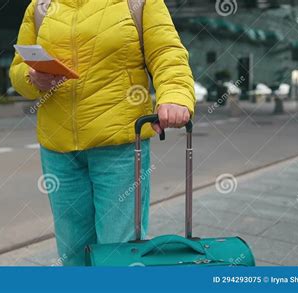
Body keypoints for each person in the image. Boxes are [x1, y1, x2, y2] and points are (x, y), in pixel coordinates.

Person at [10, 0, 195, 266]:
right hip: (59, 150)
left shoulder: (139, 2)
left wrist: (176, 95)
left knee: (117, 250)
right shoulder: (41, 7)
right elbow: (18, 68)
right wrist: (31, 77)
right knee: (73, 250)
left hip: (119, 146)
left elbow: (167, 53)